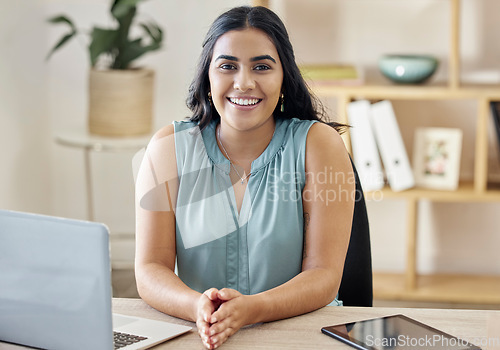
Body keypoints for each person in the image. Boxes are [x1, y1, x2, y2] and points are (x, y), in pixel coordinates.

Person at [134, 5, 355, 349]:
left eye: (262, 66)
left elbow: (324, 276)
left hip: (302, 335)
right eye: (227, 66)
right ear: (208, 76)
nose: (244, 82)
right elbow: (150, 269)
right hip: (204, 334)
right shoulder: (168, 148)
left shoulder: (318, 145)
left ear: (284, 77)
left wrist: (252, 309)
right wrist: (197, 306)